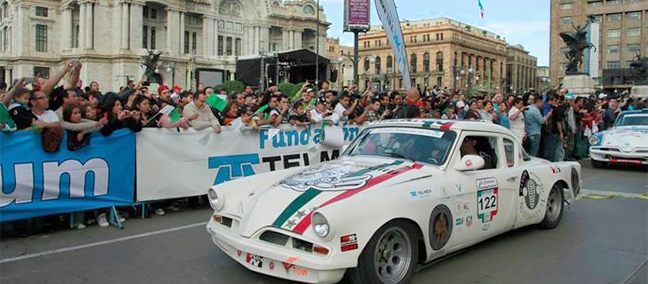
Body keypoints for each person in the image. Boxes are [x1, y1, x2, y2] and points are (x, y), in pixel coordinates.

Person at [543, 94, 565, 162]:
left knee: (549, 148)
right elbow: (558, 122)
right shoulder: (554, 109)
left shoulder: (544, 107)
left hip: (547, 131)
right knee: (553, 149)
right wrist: (561, 133)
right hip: (553, 131)